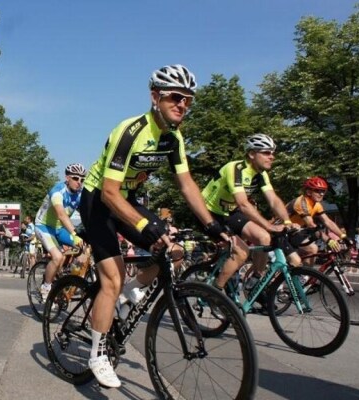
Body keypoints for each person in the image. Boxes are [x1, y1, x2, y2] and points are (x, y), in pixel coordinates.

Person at [78, 65, 227, 388]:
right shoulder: (130, 131)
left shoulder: (173, 138)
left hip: (127, 198)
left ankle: (134, 289)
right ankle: (98, 354)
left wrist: (213, 226)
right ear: (155, 97)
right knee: (111, 278)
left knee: (173, 251)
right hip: (98, 200)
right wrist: (146, 224)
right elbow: (109, 193)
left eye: (189, 99)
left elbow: (187, 185)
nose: (183, 105)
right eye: (176, 97)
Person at [202, 133, 302, 296]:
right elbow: (243, 204)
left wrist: (286, 221)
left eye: (272, 153)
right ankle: (215, 293)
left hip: (229, 212)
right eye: (266, 152)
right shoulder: (235, 169)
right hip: (209, 212)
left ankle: (256, 278)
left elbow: (274, 201)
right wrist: (270, 226)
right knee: (241, 252)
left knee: (264, 238)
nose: (272, 157)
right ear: (251, 154)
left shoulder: (261, 174)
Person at [35, 163, 86, 301]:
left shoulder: (80, 194)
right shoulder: (58, 191)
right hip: (44, 226)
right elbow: (62, 214)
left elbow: (88, 214)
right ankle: (46, 286)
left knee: (84, 248)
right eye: (76, 178)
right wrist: (75, 234)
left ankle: (63, 275)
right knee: (58, 257)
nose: (79, 182)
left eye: (82, 179)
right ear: (67, 177)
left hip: (59, 229)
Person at [285, 177, 347, 265]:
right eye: (317, 191)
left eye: (323, 191)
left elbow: (327, 221)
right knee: (306, 253)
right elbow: (310, 224)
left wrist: (343, 236)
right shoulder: (301, 202)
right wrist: (328, 240)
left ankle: (306, 276)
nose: (321, 194)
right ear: (308, 192)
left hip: (294, 231)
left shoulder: (316, 204)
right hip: (282, 230)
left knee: (313, 249)